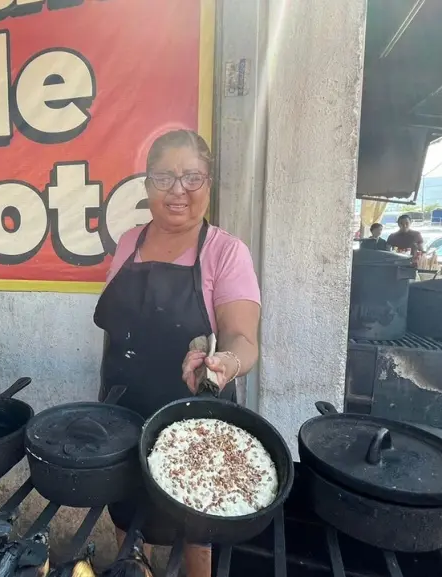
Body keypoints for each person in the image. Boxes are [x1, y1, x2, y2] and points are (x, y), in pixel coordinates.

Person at [94, 129, 260, 577]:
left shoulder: (226, 252)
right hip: (122, 412)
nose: (178, 191)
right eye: (164, 177)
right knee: (125, 518)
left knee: (195, 532)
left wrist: (226, 362)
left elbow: (243, 339)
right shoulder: (129, 242)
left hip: (193, 423)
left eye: (192, 177)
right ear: (147, 184)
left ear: (208, 182)